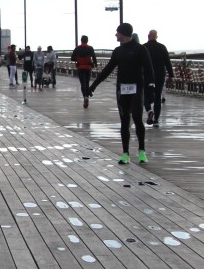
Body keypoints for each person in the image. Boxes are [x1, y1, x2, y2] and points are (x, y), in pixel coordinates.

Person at [89, 23, 155, 164]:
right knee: (124, 121)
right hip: (122, 90)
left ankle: (141, 151)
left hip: (137, 88)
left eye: (117, 32)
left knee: (137, 118)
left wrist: (151, 88)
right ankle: (125, 153)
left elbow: (149, 69)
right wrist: (93, 85)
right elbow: (108, 69)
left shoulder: (140, 49)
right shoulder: (118, 51)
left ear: (123, 33)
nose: (115, 35)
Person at [143, 29, 174, 127]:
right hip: (160, 75)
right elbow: (167, 62)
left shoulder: (143, 47)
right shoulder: (162, 47)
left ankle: (149, 110)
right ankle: (156, 119)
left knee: (144, 94)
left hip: (147, 75)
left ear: (148, 36)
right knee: (157, 97)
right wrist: (171, 75)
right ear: (156, 37)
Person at [71, 35, 97, 108]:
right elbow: (94, 58)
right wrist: (94, 64)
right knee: (87, 83)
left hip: (80, 67)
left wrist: (78, 59)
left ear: (81, 40)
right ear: (87, 40)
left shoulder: (77, 48)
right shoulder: (90, 48)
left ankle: (85, 97)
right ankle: (87, 96)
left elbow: (72, 58)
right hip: (88, 67)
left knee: (83, 84)